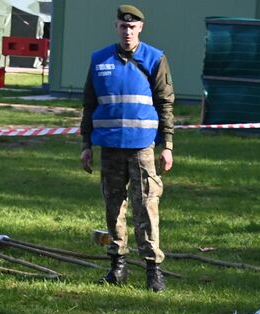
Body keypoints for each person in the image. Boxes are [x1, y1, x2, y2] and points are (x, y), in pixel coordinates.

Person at [79, 4, 175, 293]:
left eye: (133, 27)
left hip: (142, 147)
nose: (128, 31)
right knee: (113, 206)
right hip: (109, 147)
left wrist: (166, 145)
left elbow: (165, 104)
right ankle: (117, 265)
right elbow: (89, 105)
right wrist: (86, 145)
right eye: (123, 26)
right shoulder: (99, 60)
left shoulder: (155, 58)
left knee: (146, 205)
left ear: (141, 28)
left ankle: (152, 270)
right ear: (116, 27)